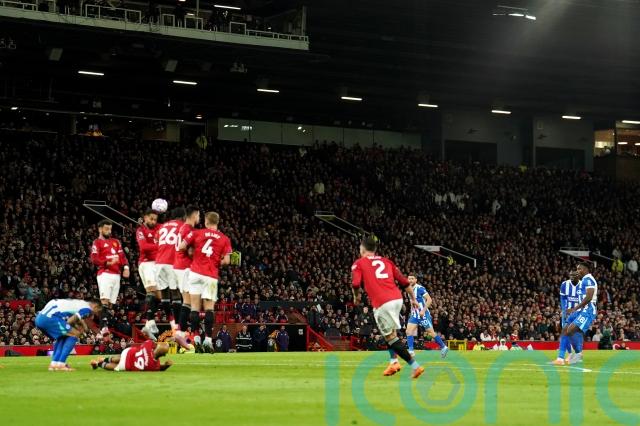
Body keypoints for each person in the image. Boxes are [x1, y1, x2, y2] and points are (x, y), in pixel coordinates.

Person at [351, 235, 424, 379]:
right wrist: (414, 299)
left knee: (390, 337)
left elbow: (355, 283)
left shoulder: (359, 263)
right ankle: (393, 362)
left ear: (362, 249)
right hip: (397, 298)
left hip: (382, 302)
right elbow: (404, 282)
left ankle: (415, 366)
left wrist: (356, 296)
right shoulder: (386, 261)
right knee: (391, 333)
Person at [182, 211, 232, 353]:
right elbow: (227, 261)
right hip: (210, 275)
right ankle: (208, 341)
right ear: (217, 222)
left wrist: (193, 255)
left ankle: (196, 339)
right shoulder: (224, 239)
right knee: (209, 309)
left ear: (206, 221)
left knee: (194, 308)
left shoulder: (197, 233)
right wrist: (216, 261)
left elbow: (183, 247)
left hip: (195, 273)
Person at [35, 298, 102, 371]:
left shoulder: (76, 303)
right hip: (50, 318)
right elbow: (71, 320)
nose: (96, 313)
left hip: (39, 318)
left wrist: (68, 329)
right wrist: (69, 328)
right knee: (75, 334)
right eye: (98, 311)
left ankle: (54, 364)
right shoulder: (87, 308)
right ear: (95, 306)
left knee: (63, 337)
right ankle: (61, 364)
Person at [553, 262, 598, 365]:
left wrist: (575, 308)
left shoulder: (588, 279)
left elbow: (589, 297)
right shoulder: (583, 280)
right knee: (565, 329)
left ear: (585, 269)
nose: (578, 271)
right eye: (577, 269)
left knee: (570, 330)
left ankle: (578, 353)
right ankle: (561, 358)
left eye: (579, 269)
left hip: (588, 311)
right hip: (581, 310)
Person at [90, 220, 129, 334]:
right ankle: (103, 328)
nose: (109, 231)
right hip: (105, 274)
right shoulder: (97, 242)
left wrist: (126, 267)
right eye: (106, 229)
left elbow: (122, 256)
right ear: (100, 229)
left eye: (110, 229)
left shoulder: (116, 241)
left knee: (110, 305)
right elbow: (94, 258)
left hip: (117, 275)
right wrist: (107, 262)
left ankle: (105, 324)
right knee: (105, 301)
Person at [405, 273, 448, 358]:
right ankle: (411, 351)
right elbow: (412, 301)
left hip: (423, 314)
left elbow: (429, 300)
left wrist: (423, 310)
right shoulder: (408, 288)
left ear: (416, 280)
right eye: (409, 279)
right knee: (408, 331)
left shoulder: (420, 288)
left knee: (431, 333)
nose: (410, 280)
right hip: (414, 315)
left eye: (412, 279)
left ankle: (443, 347)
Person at [156, 207, 185, 331]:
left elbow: (157, 241)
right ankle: (177, 324)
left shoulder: (162, 226)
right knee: (175, 292)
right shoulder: (183, 226)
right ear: (183, 217)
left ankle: (171, 320)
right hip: (172, 261)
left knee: (164, 293)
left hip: (159, 262)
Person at [174, 206, 200, 336]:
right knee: (191, 302)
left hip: (179, 266)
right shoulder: (189, 230)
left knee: (187, 301)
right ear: (194, 215)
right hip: (185, 268)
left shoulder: (182, 228)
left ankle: (181, 332)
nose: (199, 218)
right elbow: (188, 250)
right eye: (198, 215)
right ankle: (187, 333)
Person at [137, 209, 160, 340]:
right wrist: (160, 246)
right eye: (151, 219)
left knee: (160, 296)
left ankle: (147, 325)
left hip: (157, 264)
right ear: (145, 217)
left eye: (155, 219)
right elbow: (143, 247)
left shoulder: (159, 228)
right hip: (146, 263)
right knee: (151, 291)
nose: (153, 221)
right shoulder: (140, 230)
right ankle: (150, 321)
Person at [91, 340, 173, 371]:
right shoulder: (154, 365)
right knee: (116, 367)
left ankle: (104, 359)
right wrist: (166, 366)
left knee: (119, 358)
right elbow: (160, 368)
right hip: (129, 365)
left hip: (129, 352)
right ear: (163, 355)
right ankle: (98, 364)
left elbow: (151, 342)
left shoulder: (148, 344)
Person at [560, 270, 582, 362]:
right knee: (565, 332)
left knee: (575, 334)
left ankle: (578, 353)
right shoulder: (564, 284)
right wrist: (564, 310)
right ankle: (569, 354)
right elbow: (562, 298)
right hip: (567, 313)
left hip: (579, 313)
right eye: (570, 276)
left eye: (574, 276)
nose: (572, 277)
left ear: (578, 276)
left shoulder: (582, 285)